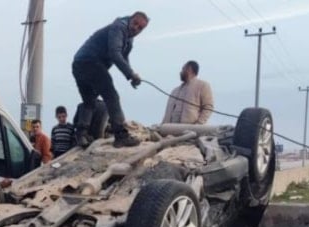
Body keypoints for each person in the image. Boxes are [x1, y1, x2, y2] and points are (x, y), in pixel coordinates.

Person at [72, 12, 149, 148]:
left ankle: (81, 134)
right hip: (90, 62)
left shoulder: (128, 38)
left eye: (140, 28)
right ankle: (121, 135)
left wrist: (130, 76)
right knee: (112, 96)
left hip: (79, 63)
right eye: (135, 23)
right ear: (130, 19)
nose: (136, 28)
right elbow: (115, 54)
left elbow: (124, 58)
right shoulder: (119, 28)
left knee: (89, 101)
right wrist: (131, 74)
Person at [162, 60, 214, 125]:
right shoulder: (175, 91)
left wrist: (199, 124)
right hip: (170, 130)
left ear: (189, 69)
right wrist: (162, 127)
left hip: (191, 129)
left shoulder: (203, 85)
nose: (180, 72)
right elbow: (167, 112)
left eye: (183, 69)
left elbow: (208, 107)